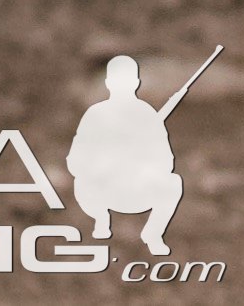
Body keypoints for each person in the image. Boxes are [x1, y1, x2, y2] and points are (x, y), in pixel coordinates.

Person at [70, 55, 185, 255]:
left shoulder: (147, 115)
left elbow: (166, 161)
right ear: (108, 83)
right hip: (103, 190)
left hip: (136, 189)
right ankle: (102, 221)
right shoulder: (96, 115)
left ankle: (153, 234)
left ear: (136, 83)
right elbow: (76, 160)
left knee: (173, 183)